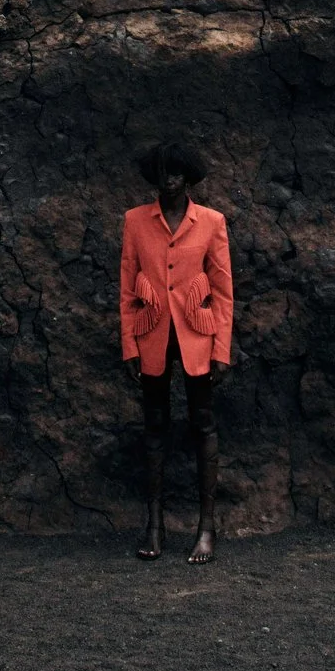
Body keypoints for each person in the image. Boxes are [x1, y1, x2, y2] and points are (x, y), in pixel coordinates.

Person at [119, 140, 234, 563]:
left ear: (188, 178)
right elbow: (128, 287)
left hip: (198, 339)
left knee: (203, 424)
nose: (170, 180)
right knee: (154, 427)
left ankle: (207, 529)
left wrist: (221, 349)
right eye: (163, 172)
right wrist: (129, 343)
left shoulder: (211, 222)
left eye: (177, 173)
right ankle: (154, 526)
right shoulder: (135, 221)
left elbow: (223, 290)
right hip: (151, 337)